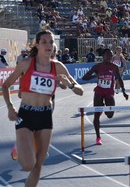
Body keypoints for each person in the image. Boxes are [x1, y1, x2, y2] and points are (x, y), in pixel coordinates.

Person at [2, 30, 84, 187]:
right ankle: (20, 147)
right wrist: (10, 107)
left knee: (38, 165)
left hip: (45, 116)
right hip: (26, 114)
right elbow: (5, 85)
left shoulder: (58, 67)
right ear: (37, 45)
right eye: (44, 42)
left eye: (51, 42)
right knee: (27, 165)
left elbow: (80, 91)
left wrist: (71, 84)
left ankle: (27, 146)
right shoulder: (26, 64)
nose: (49, 45)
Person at [82, 48, 128, 145]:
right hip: (99, 92)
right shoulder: (97, 67)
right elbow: (84, 78)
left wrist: (124, 92)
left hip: (109, 92)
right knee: (96, 115)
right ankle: (98, 137)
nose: (110, 57)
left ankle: (103, 109)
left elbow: (119, 79)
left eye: (111, 56)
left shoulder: (114, 67)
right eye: (108, 55)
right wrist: (95, 76)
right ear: (103, 56)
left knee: (110, 115)